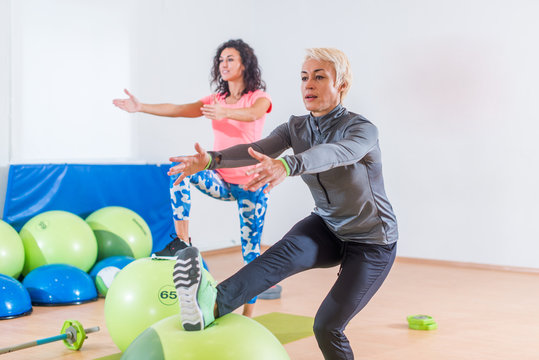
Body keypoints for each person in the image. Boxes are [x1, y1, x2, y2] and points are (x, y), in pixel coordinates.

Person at [169, 47, 398, 359]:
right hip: (328, 227)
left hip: (372, 242)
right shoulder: (296, 127)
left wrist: (288, 165)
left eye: (319, 77)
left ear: (341, 85)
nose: (309, 84)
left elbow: (333, 154)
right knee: (277, 257)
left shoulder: (361, 130)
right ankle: (208, 305)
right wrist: (210, 160)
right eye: (304, 77)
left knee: (326, 326)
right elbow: (255, 147)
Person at [113, 39, 272, 317]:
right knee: (182, 171)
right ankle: (183, 244)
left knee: (251, 253)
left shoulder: (257, 97)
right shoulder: (215, 101)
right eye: (221, 60)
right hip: (221, 180)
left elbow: (254, 113)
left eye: (230, 59)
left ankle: (249, 316)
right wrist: (141, 107)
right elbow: (178, 109)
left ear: (245, 64)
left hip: (251, 185)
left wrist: (226, 112)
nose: (224, 64)